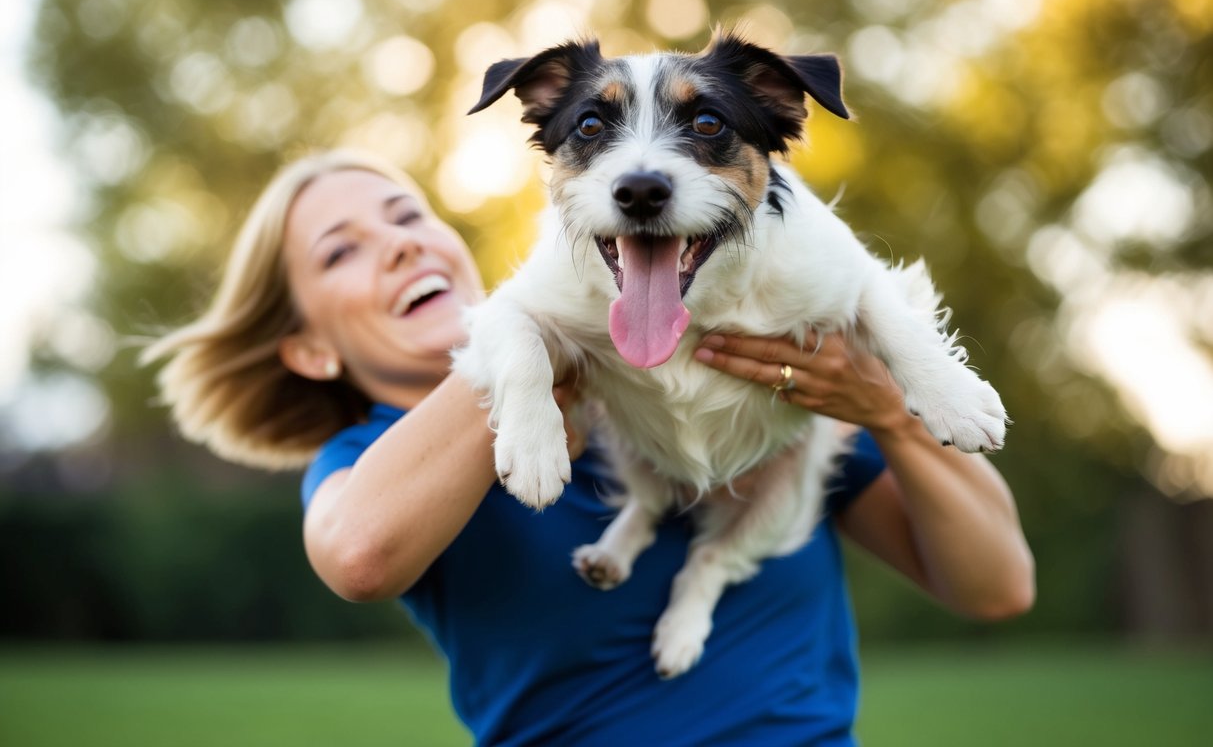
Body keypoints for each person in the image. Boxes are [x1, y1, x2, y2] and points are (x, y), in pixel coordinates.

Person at [145, 149, 1034, 746]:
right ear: (307, 349)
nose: (398, 244)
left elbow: (995, 584)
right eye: (342, 252)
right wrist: (529, 339)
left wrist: (884, 405)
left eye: (406, 214)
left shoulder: (727, 372)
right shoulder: (362, 458)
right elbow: (359, 553)